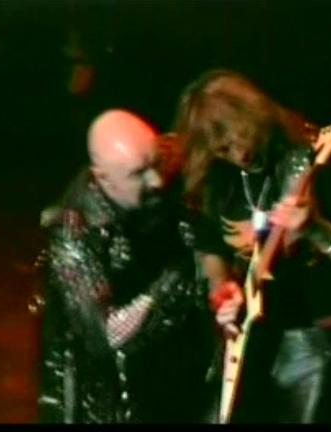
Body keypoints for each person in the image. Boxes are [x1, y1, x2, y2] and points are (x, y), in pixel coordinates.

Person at [172, 69, 331, 423]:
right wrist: (222, 289)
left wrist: (319, 231)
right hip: (256, 346)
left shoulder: (318, 158)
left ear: (256, 114)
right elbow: (210, 247)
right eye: (222, 149)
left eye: (239, 137)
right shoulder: (220, 178)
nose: (238, 153)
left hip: (324, 343)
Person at [36, 109, 219, 423]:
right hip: (112, 396)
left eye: (156, 163)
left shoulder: (163, 160)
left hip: (181, 370)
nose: (156, 180)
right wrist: (173, 282)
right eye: (138, 174)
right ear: (102, 177)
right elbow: (108, 335)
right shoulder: (74, 232)